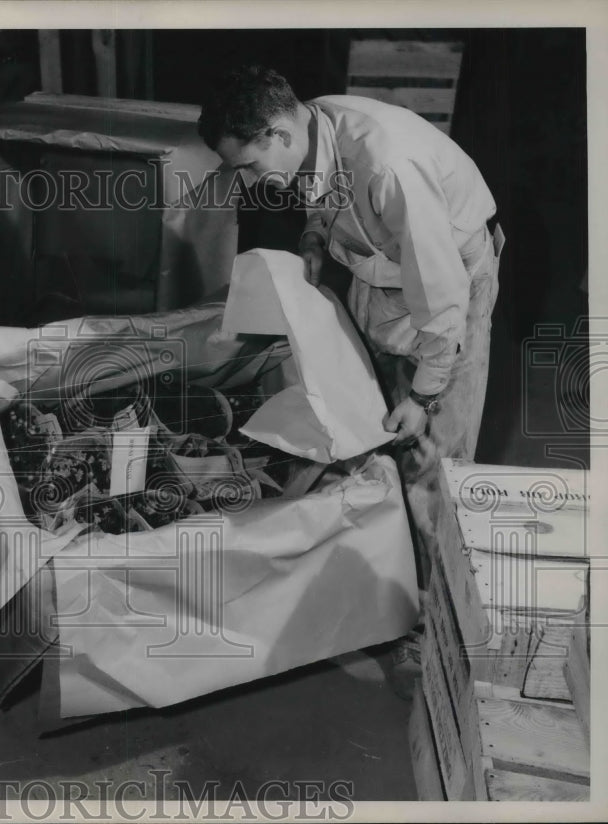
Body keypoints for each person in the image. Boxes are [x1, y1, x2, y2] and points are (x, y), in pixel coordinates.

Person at [198, 64, 505, 690]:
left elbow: (440, 295)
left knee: (433, 454)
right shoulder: (314, 125)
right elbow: (326, 193)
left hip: (447, 282)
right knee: (375, 421)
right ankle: (379, 573)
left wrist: (425, 393)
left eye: (252, 167)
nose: (252, 183)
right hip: (379, 270)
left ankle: (433, 618)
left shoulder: (388, 166)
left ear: (277, 133)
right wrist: (314, 236)